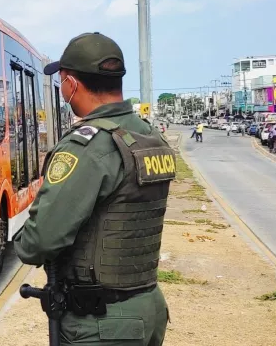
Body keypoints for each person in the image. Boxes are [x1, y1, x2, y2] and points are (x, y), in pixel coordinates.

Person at [14, 32, 175, 345]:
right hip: (148, 305)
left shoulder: (88, 147)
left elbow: (40, 241)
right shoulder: (147, 134)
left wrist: (23, 240)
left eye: (62, 80)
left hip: (102, 323)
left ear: (72, 84)